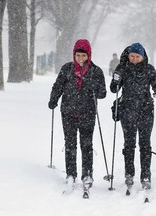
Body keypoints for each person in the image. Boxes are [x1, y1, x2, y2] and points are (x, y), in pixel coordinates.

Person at [48, 39, 107, 191]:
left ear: (89, 55)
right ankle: (71, 174)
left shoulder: (96, 71)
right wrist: (53, 99)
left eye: (83, 55)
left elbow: (102, 94)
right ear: (74, 55)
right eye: (78, 55)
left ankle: (87, 174)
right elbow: (58, 85)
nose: (80, 58)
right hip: (68, 112)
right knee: (70, 144)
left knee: (86, 145)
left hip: (88, 113)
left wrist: (95, 87)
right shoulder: (67, 69)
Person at [110, 42, 156, 191]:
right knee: (129, 144)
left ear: (142, 56)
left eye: (137, 57)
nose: (134, 59)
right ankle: (129, 173)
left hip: (145, 110)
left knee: (145, 144)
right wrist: (115, 79)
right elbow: (114, 89)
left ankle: (145, 175)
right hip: (127, 110)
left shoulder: (149, 69)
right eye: (132, 56)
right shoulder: (122, 68)